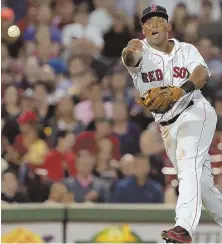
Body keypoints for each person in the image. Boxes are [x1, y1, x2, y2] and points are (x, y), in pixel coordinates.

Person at [122, 4, 222, 243]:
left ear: (168, 25)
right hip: (167, 127)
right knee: (203, 188)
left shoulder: (186, 49)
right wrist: (128, 51)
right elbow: (130, 58)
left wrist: (180, 90)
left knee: (188, 165)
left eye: (159, 20)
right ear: (143, 29)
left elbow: (201, 74)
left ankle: (183, 228)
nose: (154, 25)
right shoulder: (140, 51)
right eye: (148, 22)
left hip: (195, 112)